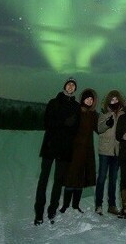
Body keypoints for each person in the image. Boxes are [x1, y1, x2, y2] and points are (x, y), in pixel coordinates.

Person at [34, 77, 80, 225]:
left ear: (75, 89)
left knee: (58, 182)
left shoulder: (76, 107)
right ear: (64, 86)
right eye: (69, 84)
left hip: (65, 148)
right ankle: (39, 213)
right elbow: (47, 122)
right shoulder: (53, 102)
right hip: (50, 145)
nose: (71, 87)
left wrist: (71, 127)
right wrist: (63, 123)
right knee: (44, 180)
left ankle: (52, 210)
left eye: (73, 85)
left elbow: (76, 128)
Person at [60, 88, 98, 214]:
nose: (89, 101)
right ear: (83, 99)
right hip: (74, 149)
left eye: (91, 99)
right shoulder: (76, 110)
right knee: (71, 177)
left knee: (80, 179)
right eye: (87, 98)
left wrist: (108, 124)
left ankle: (75, 205)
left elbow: (99, 129)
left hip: (86, 151)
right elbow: (67, 125)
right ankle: (65, 205)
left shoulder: (93, 115)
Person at [95, 89, 124, 215]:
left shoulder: (122, 115)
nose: (114, 101)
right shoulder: (104, 114)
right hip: (105, 151)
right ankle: (98, 205)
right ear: (108, 101)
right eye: (112, 99)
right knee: (101, 178)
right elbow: (99, 129)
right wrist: (107, 124)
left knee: (113, 179)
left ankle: (112, 205)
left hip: (116, 152)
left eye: (116, 99)